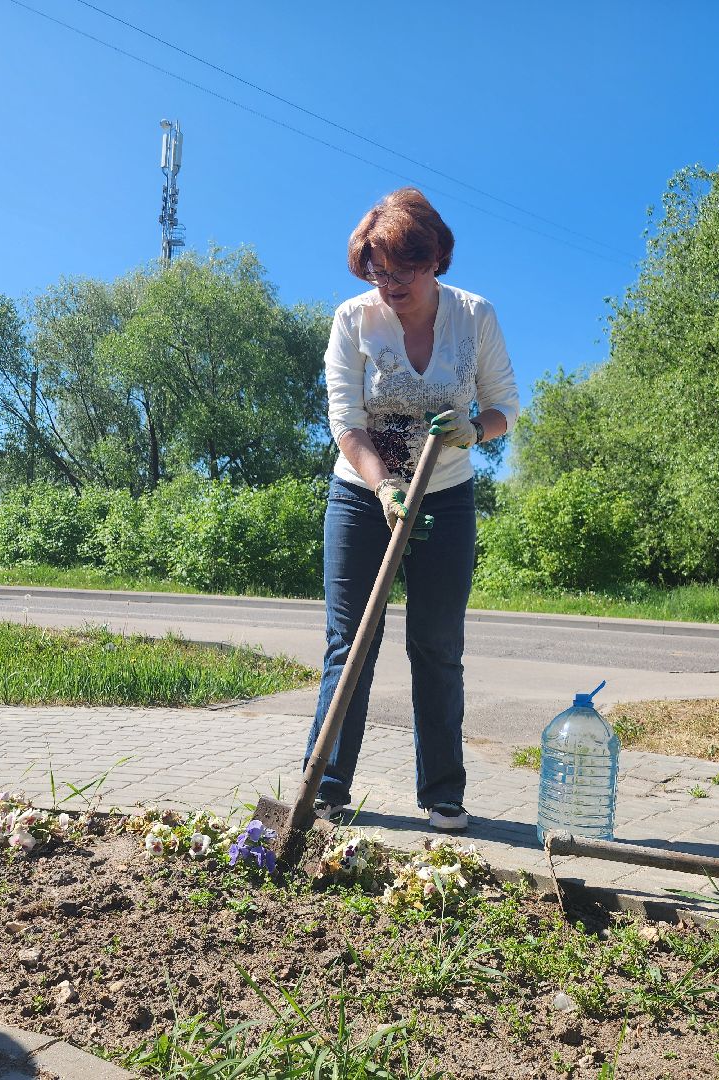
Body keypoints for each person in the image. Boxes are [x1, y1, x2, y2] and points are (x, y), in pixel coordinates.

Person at [304, 187, 519, 832]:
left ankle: (442, 794)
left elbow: (505, 406)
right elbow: (346, 421)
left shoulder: (474, 316)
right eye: (376, 272)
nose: (386, 284)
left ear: (433, 261)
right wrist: (383, 488)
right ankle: (327, 787)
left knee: (435, 645)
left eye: (400, 272)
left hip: (447, 497)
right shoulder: (352, 320)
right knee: (350, 643)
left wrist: (472, 432)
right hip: (362, 496)